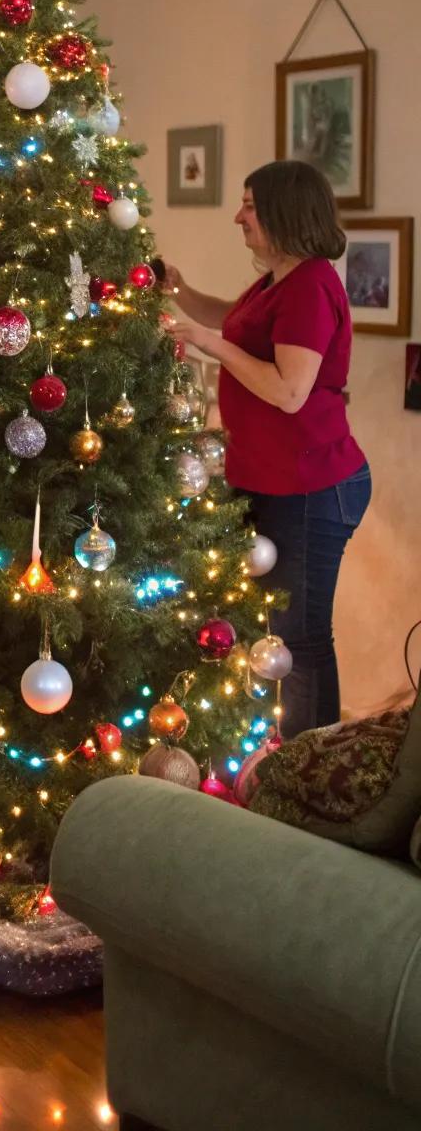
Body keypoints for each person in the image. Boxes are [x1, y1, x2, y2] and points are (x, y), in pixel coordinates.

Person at [165, 159, 371, 741]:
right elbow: (236, 325)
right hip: (272, 479)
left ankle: (313, 771)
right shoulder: (278, 280)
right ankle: (287, 756)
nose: (239, 217)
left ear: (285, 212)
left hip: (311, 486)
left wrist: (209, 345)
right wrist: (179, 291)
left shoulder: (310, 286)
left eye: (250, 206)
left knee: (301, 639)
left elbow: (289, 390)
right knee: (280, 632)